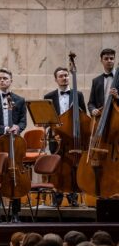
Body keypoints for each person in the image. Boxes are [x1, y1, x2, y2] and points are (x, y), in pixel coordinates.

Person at [0, 68, 26, 223]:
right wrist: (4, 129)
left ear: (11, 80)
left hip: (14, 144)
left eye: (5, 78)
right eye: (0, 78)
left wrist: (17, 127)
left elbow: (23, 121)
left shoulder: (20, 100)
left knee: (15, 177)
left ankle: (15, 214)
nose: (2, 81)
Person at [43, 66, 87, 208]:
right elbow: (46, 119)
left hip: (73, 138)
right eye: (61, 76)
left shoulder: (78, 95)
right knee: (57, 167)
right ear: (56, 79)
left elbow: (84, 116)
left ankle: (73, 197)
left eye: (66, 75)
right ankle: (57, 198)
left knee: (74, 166)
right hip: (55, 137)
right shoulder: (48, 96)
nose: (64, 78)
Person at [88, 48, 118, 116]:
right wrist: (93, 110)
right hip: (101, 118)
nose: (109, 61)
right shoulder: (96, 81)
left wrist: (117, 97)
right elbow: (91, 103)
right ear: (101, 61)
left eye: (111, 58)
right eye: (106, 58)